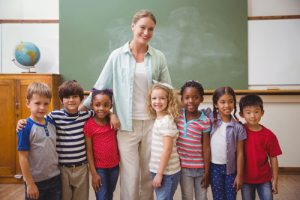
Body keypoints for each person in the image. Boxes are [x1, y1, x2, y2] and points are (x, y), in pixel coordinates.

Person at [80, 9, 172, 200]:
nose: (146, 33)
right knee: (130, 175)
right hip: (125, 125)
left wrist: (172, 117)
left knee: (148, 172)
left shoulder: (159, 57)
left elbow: (167, 90)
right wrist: (78, 110)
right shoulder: (117, 56)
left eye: (151, 29)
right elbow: (100, 87)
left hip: (152, 124)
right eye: (142, 27)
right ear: (133, 27)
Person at [17, 80, 93, 200]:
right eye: (67, 97)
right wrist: (20, 121)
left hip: (64, 174)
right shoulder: (53, 117)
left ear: (81, 99)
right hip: (57, 171)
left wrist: (112, 115)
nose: (71, 100)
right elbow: (37, 121)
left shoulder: (86, 116)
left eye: (75, 97)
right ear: (61, 100)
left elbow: (101, 113)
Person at [17, 82, 61, 200]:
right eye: (37, 103)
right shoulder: (25, 127)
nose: (42, 107)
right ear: (28, 103)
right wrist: (30, 183)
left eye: (46, 104)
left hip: (55, 179)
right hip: (35, 182)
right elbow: (23, 158)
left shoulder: (52, 123)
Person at [206, 86, 247, 200]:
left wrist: (239, 175)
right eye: (222, 102)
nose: (227, 105)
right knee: (218, 197)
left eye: (230, 101)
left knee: (230, 197)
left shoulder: (238, 127)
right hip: (214, 168)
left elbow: (240, 153)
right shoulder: (210, 119)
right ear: (215, 104)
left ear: (234, 103)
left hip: (231, 169)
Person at [239, 94, 282, 200]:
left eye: (256, 111)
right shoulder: (239, 131)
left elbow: (273, 158)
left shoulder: (269, 135)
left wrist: (275, 179)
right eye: (248, 112)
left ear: (262, 112)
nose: (253, 116)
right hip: (246, 179)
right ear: (241, 114)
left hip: (264, 179)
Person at [176, 80, 211, 200]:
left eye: (195, 97)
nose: (191, 101)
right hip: (184, 168)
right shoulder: (178, 116)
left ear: (201, 99)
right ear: (182, 100)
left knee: (202, 197)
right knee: (187, 197)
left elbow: (206, 148)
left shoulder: (205, 121)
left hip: (201, 168)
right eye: (187, 97)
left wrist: (207, 171)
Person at [147, 83, 181, 200]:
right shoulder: (158, 119)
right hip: (159, 170)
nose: (158, 101)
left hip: (167, 172)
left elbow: (167, 149)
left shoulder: (166, 122)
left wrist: (160, 174)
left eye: (162, 98)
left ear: (169, 100)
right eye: (154, 98)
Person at [84, 89, 120, 200]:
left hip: (114, 166)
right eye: (97, 105)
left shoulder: (113, 122)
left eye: (105, 105)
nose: (101, 108)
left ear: (111, 106)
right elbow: (89, 151)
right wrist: (93, 173)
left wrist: (112, 115)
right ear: (92, 105)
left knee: (109, 194)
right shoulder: (89, 125)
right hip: (99, 168)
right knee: (102, 196)